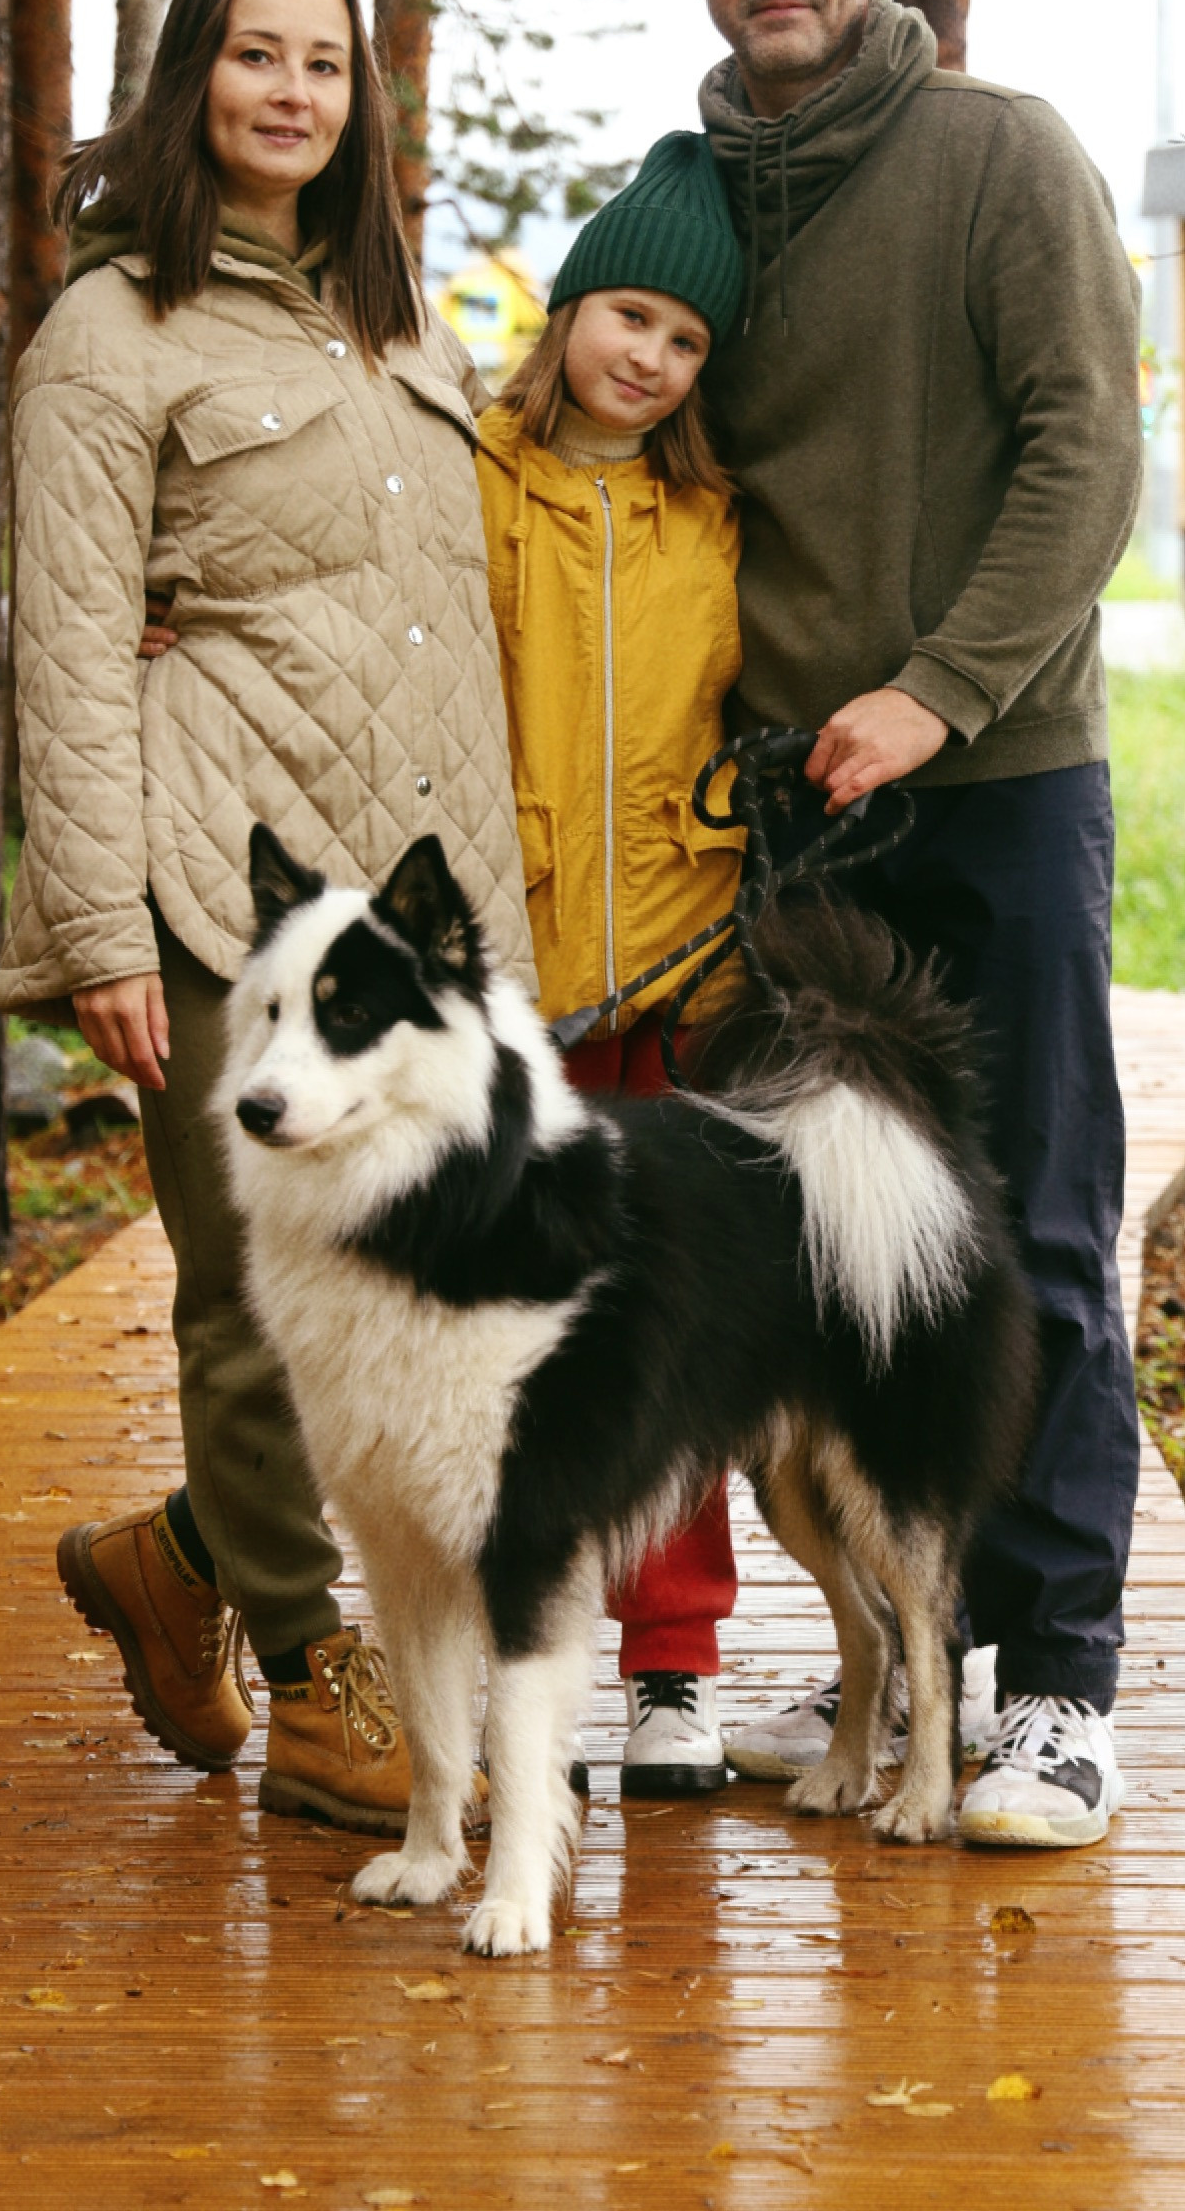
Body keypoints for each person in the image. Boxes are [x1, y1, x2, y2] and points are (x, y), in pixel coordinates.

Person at [0, 0, 531, 1836]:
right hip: (214, 886)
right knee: (250, 1290)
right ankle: (315, 1683)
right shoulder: (108, 334)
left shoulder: (406, 331)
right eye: (253, 56)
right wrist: (93, 922)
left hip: (413, 914)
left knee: (404, 1290)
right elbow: (66, 643)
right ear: (190, 78)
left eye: (323, 62)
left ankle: (175, 1560)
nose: (290, 92)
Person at [680, 0, 1145, 1849]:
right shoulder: (697, 197)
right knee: (842, 1260)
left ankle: (1053, 1686)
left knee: (1034, 1230)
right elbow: (586, 422)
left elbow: (1089, 448)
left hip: (1004, 778)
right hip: (805, 822)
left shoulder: (999, 154)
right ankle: (900, 1656)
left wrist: (935, 689)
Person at [475, 135, 750, 1796]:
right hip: (505, 988)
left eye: (688, 341)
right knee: (505, 1334)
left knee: (660, 1323)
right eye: (630, 314)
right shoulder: (468, 474)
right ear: (571, 306)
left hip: (668, 970)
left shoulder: (708, 519)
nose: (648, 357)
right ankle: (524, 1647)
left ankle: (676, 1665)